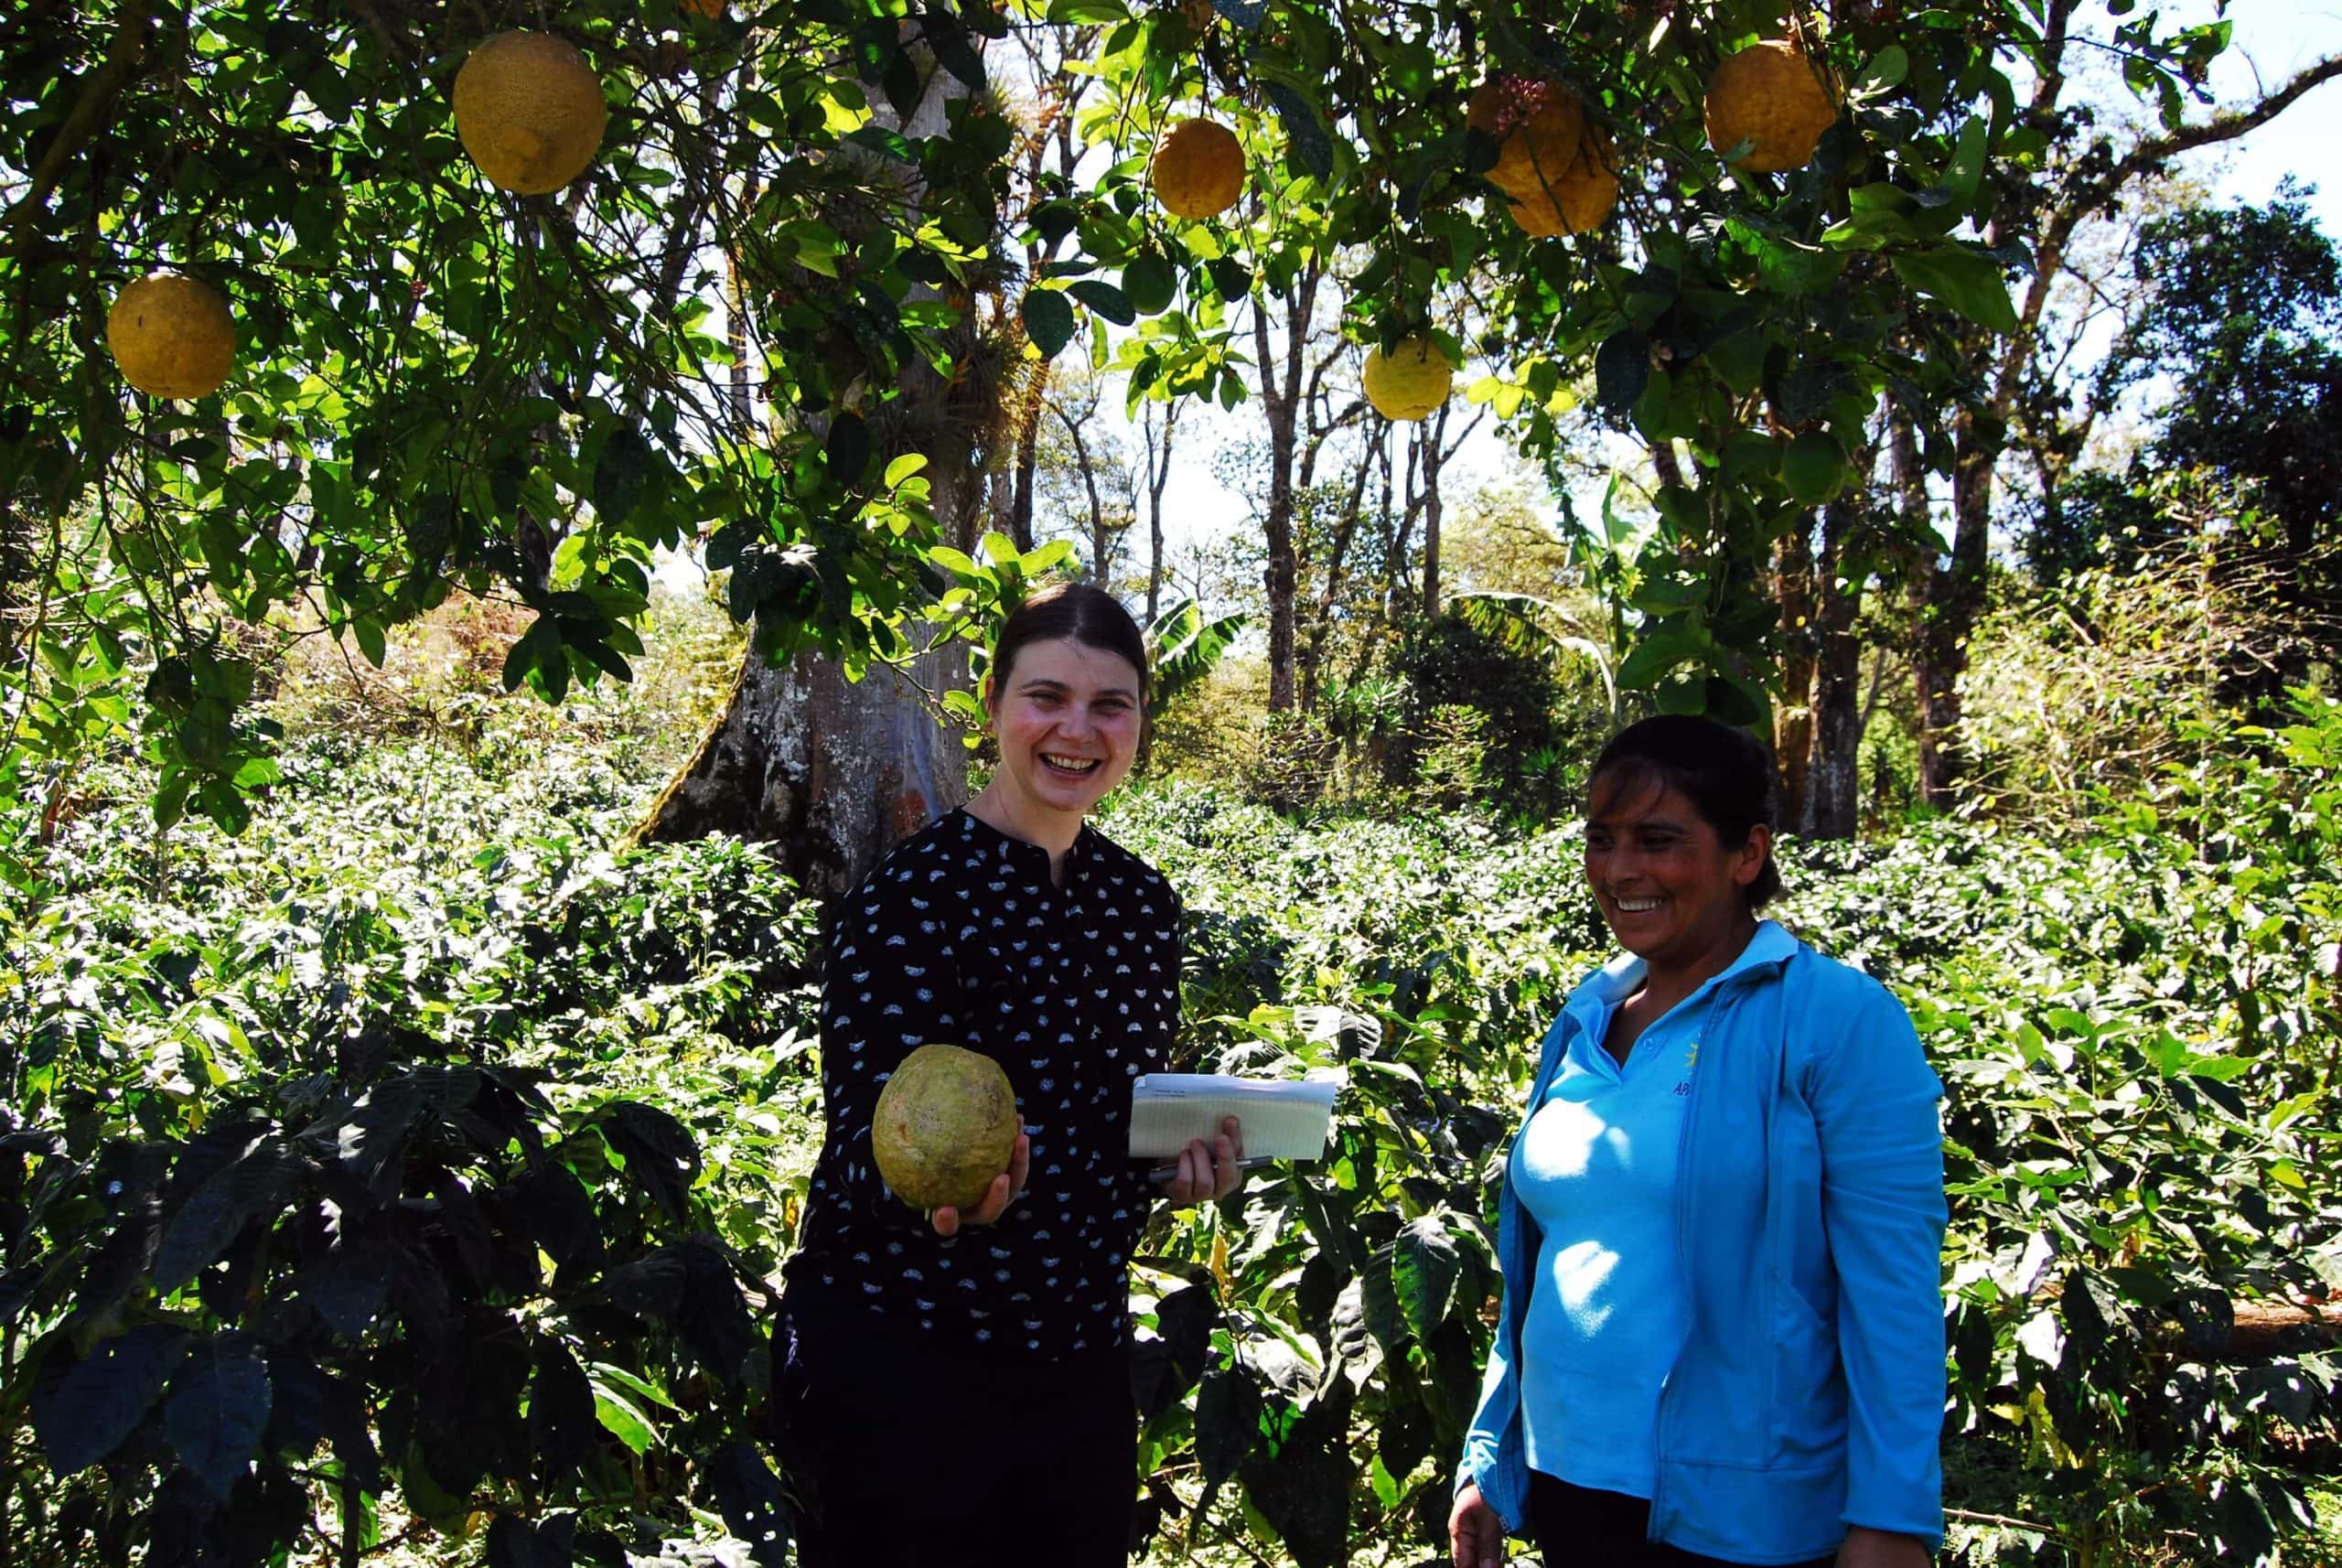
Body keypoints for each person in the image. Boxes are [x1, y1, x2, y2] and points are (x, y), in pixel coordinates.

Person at [771, 582, 1243, 1568]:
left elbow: (1108, 1122)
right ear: (991, 705)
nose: (1077, 730)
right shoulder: (909, 899)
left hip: (1075, 1362)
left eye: (1109, 704)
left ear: (1139, 725)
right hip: (904, 1363)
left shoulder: (1140, 905)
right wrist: (947, 1197)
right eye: (1046, 697)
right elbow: (867, 1142)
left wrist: (1177, 1165)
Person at [1449, 714, 1947, 1568]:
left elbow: (1894, 1294)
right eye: (1601, 840)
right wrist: (1489, 1456)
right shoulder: (1587, 1016)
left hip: (1743, 1507)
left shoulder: (1836, 1020)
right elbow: (1549, 1265)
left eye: (1658, 839)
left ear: (1746, 855)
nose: (1620, 870)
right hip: (1570, 1485)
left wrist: (1891, 1520)